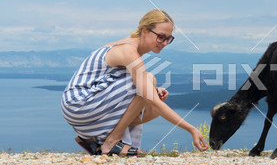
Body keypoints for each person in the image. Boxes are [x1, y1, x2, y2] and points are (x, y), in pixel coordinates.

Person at [61, 9, 208, 156]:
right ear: (144, 31)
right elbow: (152, 99)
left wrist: (152, 90)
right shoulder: (128, 51)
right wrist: (192, 129)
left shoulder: (129, 47)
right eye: (161, 37)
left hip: (82, 109)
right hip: (79, 104)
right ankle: (111, 141)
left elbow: (112, 81)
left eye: (168, 39)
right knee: (149, 81)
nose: (164, 43)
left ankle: (94, 141)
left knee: (152, 108)